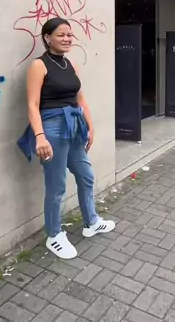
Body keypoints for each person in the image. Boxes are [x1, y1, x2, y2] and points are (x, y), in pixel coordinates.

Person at [18, 17, 115, 259]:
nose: (67, 39)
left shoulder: (71, 64)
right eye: (61, 35)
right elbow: (32, 104)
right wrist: (40, 136)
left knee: (86, 175)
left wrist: (90, 126)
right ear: (47, 38)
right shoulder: (39, 66)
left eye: (69, 35)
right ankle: (54, 235)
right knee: (56, 185)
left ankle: (91, 222)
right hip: (51, 128)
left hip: (74, 126)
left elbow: (80, 99)